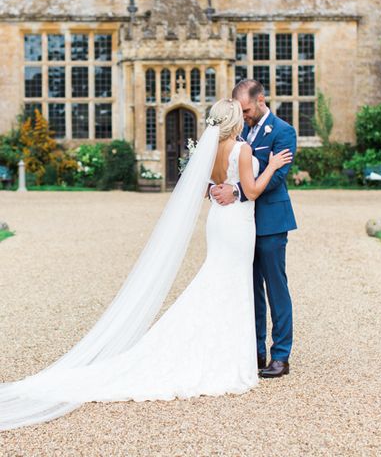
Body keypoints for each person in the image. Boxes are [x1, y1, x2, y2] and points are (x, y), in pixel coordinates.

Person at [0, 99, 292, 431]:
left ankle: (225, 353)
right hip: (237, 225)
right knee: (229, 285)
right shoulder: (241, 150)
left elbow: (204, 188)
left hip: (219, 223)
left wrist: (217, 188)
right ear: (236, 121)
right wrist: (271, 165)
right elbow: (252, 191)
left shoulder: (208, 150)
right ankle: (227, 359)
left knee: (218, 282)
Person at [211, 81, 297, 378]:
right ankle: (256, 350)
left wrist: (236, 192)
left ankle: (281, 356)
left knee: (276, 289)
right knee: (251, 291)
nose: (243, 115)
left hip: (271, 223)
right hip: (242, 226)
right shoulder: (239, 130)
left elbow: (277, 177)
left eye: (246, 109)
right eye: (239, 111)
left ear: (260, 100)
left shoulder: (283, 131)